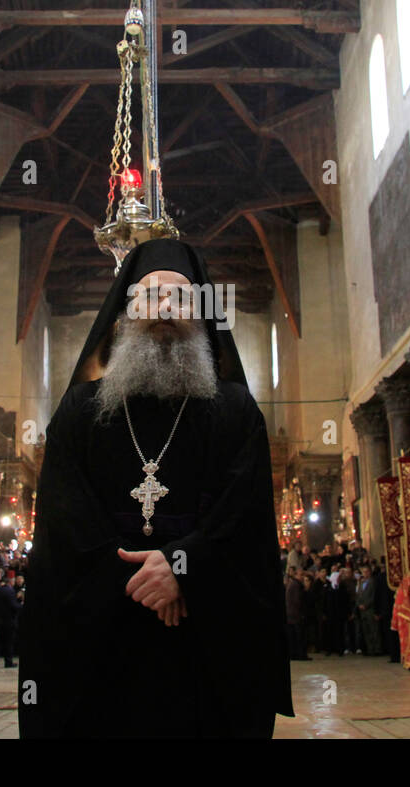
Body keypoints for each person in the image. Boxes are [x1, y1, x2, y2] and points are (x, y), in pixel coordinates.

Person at [19, 239, 292, 737]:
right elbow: (64, 516)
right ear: (124, 312)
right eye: (149, 296)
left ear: (203, 313)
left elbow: (244, 517)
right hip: (102, 643)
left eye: (182, 297)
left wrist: (183, 568)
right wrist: (144, 580)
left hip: (203, 641)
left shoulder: (234, 412)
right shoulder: (80, 412)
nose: (165, 307)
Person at [0, 573, 20, 668]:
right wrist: (21, 605)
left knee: (0, 640)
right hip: (9, 621)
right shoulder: (10, 591)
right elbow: (13, 606)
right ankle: (8, 662)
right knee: (9, 642)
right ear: (11, 581)